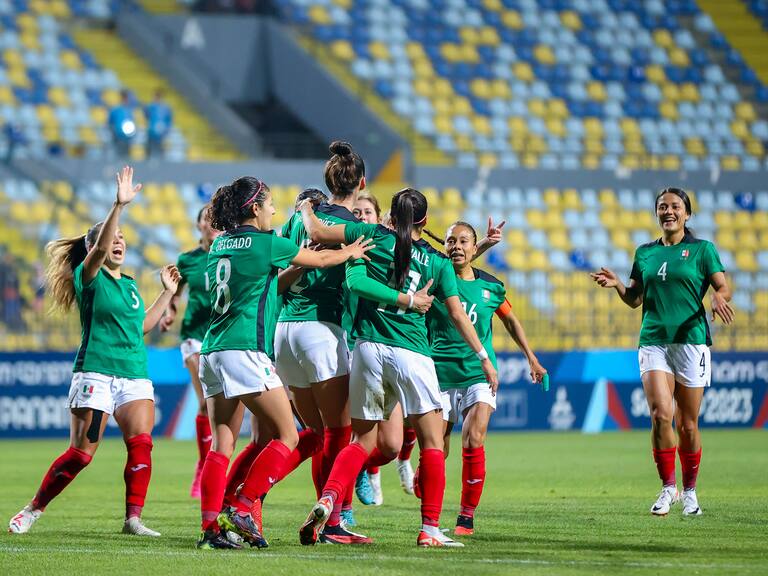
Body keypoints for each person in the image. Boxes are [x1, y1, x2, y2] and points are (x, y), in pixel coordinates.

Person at [298, 188, 498, 547]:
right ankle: (430, 530)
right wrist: (484, 356)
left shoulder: (371, 236)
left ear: (390, 216)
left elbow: (322, 239)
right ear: (424, 221)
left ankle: (329, 500)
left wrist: (306, 209)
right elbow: (456, 313)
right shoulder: (436, 263)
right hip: (413, 353)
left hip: (369, 349)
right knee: (433, 441)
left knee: (361, 439)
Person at [195, 176, 375, 550]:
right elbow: (323, 256)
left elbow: (270, 285)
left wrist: (301, 266)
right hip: (245, 350)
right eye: (271, 204)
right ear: (255, 208)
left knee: (221, 444)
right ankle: (245, 508)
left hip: (212, 350)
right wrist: (349, 252)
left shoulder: (220, 245)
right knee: (289, 434)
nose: (275, 210)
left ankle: (212, 529)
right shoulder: (266, 242)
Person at [8, 166, 180, 536]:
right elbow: (99, 248)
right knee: (81, 456)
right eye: (109, 238)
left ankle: (133, 519)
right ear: (92, 249)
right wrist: (118, 205)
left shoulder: (132, 286)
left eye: (121, 237)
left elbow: (143, 327)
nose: (116, 241)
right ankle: (33, 509)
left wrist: (166, 292)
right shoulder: (89, 277)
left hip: (133, 371)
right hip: (96, 372)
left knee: (142, 445)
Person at [590, 187, 733, 517]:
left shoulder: (702, 250)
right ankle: (669, 488)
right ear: (657, 213)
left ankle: (691, 492)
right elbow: (635, 299)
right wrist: (618, 287)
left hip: (691, 340)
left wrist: (718, 296)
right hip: (653, 339)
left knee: (688, 425)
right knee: (659, 415)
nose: (668, 211)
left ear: (687, 214)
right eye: (662, 207)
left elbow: (722, 285)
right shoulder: (644, 253)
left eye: (675, 207)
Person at [424, 221, 546, 536]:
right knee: (436, 448)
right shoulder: (434, 280)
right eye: (450, 241)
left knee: (474, 438)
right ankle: (429, 497)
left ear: (474, 248)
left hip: (480, 373)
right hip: (438, 374)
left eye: (463, 241)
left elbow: (511, 320)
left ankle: (466, 517)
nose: (456, 246)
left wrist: (530, 357)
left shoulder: (492, 287)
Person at [160, 205, 220, 498]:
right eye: (206, 219)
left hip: (221, 338)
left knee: (215, 405)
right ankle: (203, 466)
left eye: (214, 219)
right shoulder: (187, 260)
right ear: (198, 225)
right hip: (194, 337)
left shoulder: (228, 254)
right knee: (206, 402)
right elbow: (175, 292)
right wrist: (169, 312)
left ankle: (210, 463)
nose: (211, 224)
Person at [144, 89, 172, 159]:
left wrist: (166, 131)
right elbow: (147, 116)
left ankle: (160, 160)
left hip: (160, 134)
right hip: (152, 133)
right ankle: (149, 159)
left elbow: (168, 121)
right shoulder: (151, 107)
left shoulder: (165, 108)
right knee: (150, 148)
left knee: (160, 149)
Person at [108, 90, 136, 159]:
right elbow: (110, 122)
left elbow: (132, 122)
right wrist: (114, 132)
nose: (125, 100)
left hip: (127, 138)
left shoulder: (129, 110)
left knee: (126, 157)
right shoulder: (116, 110)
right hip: (117, 137)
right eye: (124, 98)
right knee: (118, 156)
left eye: (126, 98)